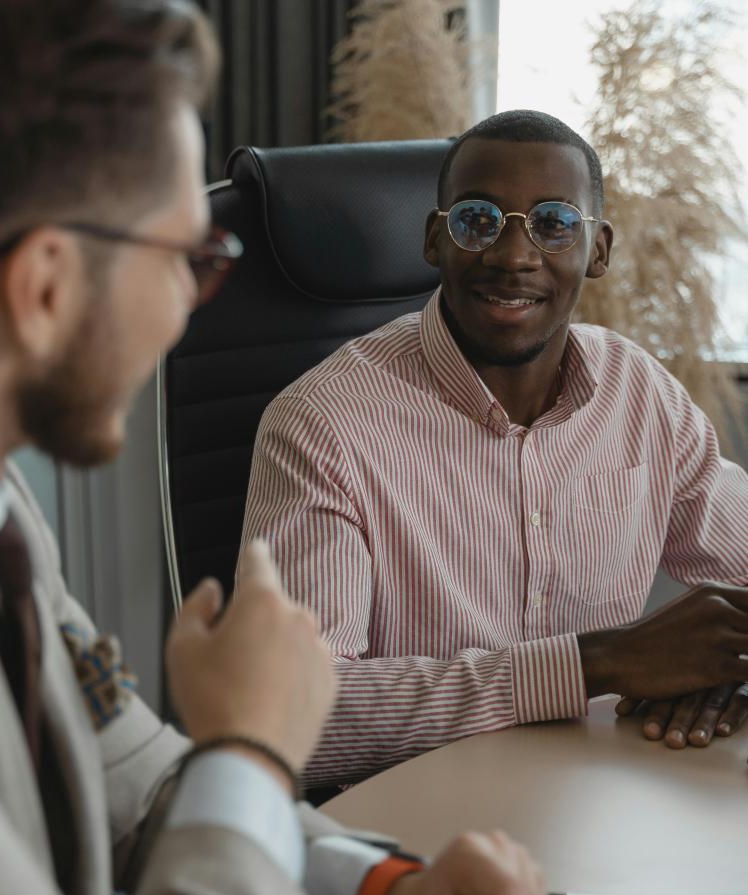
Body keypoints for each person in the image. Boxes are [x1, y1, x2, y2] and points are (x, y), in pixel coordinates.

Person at [0, 1, 547, 895]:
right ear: (45, 288)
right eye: (187, 258)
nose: (187, 306)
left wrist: (386, 887)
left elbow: (135, 788)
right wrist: (252, 747)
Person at [242, 109, 748, 787]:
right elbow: (288, 715)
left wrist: (724, 672)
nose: (513, 257)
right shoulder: (322, 424)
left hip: (601, 793)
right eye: (478, 220)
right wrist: (597, 664)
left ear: (597, 250)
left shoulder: (639, 392)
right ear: (435, 239)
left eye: (554, 223)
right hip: (416, 814)